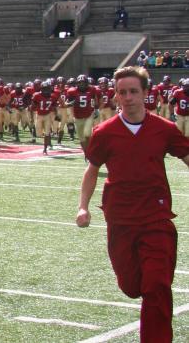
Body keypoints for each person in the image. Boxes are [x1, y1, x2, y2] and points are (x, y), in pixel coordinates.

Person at [76, 66, 189, 343]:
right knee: (130, 285)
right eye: (122, 92)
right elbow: (92, 169)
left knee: (157, 285)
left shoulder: (164, 129)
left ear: (146, 94)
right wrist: (83, 206)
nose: (128, 97)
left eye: (133, 91)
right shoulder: (105, 132)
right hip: (121, 219)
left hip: (156, 217)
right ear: (116, 96)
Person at [65, 75, 99, 154]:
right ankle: (86, 153)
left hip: (88, 115)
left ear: (87, 83)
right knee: (81, 138)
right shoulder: (72, 91)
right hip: (77, 117)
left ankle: (91, 150)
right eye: (80, 83)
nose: (82, 85)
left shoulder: (92, 89)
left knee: (87, 133)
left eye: (83, 83)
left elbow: (95, 99)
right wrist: (71, 103)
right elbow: (66, 103)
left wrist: (96, 109)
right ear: (77, 83)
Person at [32, 81, 58, 155]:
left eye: (47, 89)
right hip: (39, 115)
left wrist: (57, 115)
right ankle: (48, 142)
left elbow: (54, 106)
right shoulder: (37, 96)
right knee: (39, 134)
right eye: (44, 89)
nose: (46, 91)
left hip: (48, 115)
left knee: (47, 132)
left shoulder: (53, 96)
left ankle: (45, 149)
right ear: (41, 89)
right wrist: (31, 117)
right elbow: (32, 106)